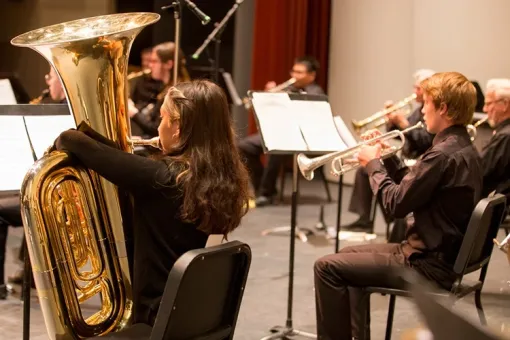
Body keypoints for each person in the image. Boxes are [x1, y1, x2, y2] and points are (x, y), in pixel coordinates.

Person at [53, 79, 250, 325]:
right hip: (193, 318)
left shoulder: (161, 178)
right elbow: (117, 159)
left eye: (162, 118)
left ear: (177, 126)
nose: (158, 128)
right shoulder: (221, 174)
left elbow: (73, 141)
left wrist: (60, 142)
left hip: (154, 319)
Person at [314, 72, 481, 340]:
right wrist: (390, 157)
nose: (422, 110)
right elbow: (414, 189)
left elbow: (396, 204)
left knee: (327, 267)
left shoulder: (441, 155)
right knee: (347, 256)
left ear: (443, 108)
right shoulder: (462, 147)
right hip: (440, 256)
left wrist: (373, 166)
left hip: (425, 263)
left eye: (426, 103)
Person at [345, 69, 436, 230]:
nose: (415, 92)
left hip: (418, 161)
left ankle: (394, 218)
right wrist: (391, 121)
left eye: (419, 88)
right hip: (407, 158)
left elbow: (425, 140)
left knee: (372, 170)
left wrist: (403, 124)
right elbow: (400, 135)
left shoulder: (430, 111)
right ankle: (366, 218)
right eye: (414, 87)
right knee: (363, 170)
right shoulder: (419, 109)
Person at [4, 66, 67, 292]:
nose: (46, 80)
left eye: (50, 76)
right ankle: (30, 270)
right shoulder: (56, 109)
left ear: (62, 80)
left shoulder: (62, 115)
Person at [238, 56, 324, 206]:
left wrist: (282, 98)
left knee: (276, 148)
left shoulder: (316, 92)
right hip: (280, 132)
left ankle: (266, 192)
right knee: (244, 146)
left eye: (300, 72)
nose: (294, 76)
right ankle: (261, 188)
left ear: (311, 76)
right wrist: (267, 97)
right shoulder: (288, 89)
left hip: (302, 136)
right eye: (293, 71)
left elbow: (308, 116)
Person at [129, 41, 191, 140]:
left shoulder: (176, 93)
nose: (150, 65)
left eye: (154, 61)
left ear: (168, 64)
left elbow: (157, 130)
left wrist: (134, 113)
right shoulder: (163, 88)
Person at [480, 78, 510, 200]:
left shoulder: (505, 136)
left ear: (505, 105)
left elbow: (480, 172)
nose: (484, 109)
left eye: (488, 104)